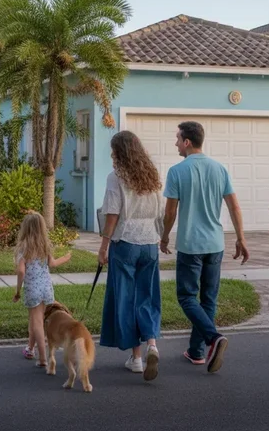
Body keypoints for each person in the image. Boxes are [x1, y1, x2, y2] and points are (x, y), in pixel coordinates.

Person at [161, 120, 249, 374]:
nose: (176, 143)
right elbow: (234, 206)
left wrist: (165, 237)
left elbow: (170, 212)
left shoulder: (177, 171)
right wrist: (241, 238)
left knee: (187, 297)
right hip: (215, 244)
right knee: (208, 299)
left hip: (190, 245)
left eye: (178, 139)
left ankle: (213, 338)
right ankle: (197, 351)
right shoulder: (219, 169)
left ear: (187, 142)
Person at [98, 130, 165, 381]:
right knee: (146, 297)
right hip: (149, 243)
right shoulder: (152, 176)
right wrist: (162, 237)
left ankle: (136, 359)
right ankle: (152, 344)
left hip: (125, 242)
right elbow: (161, 212)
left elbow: (112, 214)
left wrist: (103, 246)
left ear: (118, 152)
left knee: (127, 299)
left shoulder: (116, 178)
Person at [13, 211, 73, 367]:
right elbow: (52, 264)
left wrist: (18, 291)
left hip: (33, 290)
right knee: (36, 320)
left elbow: (20, 271)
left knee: (37, 322)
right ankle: (30, 348)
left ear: (25, 229)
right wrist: (65, 258)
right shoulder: (44, 247)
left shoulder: (23, 249)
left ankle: (43, 359)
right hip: (47, 289)